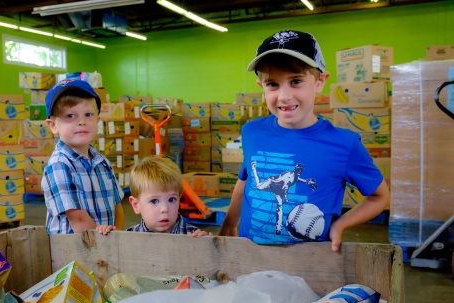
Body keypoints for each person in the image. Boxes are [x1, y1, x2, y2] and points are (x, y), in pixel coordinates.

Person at [219, 30, 390, 251]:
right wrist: (229, 225)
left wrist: (339, 225)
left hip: (310, 266)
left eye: (296, 81)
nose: (284, 96)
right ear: (261, 85)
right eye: (272, 84)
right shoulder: (252, 132)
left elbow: (379, 196)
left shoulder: (344, 144)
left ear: (320, 81)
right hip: (249, 257)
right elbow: (244, 183)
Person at [42, 79, 124, 234]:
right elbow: (78, 220)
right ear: (53, 126)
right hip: (73, 252)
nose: (82, 122)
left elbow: (117, 206)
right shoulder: (59, 165)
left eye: (88, 114)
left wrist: (117, 239)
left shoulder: (102, 163)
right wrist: (104, 248)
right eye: (70, 115)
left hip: (106, 248)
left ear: (98, 121)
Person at [97, 156, 212, 237]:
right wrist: (107, 238)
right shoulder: (129, 238)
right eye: (154, 201)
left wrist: (208, 246)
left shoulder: (193, 236)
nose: (165, 209)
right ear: (136, 205)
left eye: (171, 199)